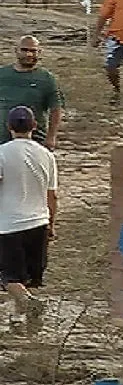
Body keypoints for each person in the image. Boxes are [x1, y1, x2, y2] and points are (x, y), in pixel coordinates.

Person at [0, 106, 57, 329]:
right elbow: (52, 195)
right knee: (30, 276)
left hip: (9, 222)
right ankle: (23, 318)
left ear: (8, 127)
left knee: (9, 277)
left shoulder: (2, 153)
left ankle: (28, 305)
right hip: (39, 220)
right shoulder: (47, 155)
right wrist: (52, 223)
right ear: (35, 126)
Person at [0, 36, 63, 150]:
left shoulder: (46, 78)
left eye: (33, 51)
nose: (29, 54)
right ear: (16, 51)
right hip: (2, 139)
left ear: (39, 52)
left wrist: (51, 137)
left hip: (35, 141)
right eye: (24, 50)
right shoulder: (2, 74)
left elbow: (56, 109)